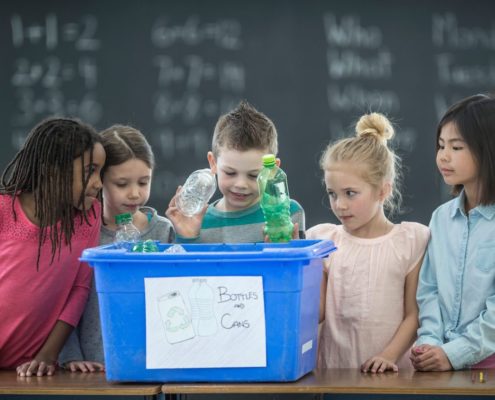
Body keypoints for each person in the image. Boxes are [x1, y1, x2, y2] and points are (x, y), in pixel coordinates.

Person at [306, 112, 429, 373]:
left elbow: (413, 314)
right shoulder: (323, 241)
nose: (339, 205)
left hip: (393, 379)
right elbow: (316, 313)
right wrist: (291, 255)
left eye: (351, 193)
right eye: (332, 194)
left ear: (383, 191)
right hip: (334, 377)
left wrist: (388, 356)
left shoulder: (410, 241)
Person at [59, 124, 176, 373]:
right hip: (89, 367)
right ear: (99, 181)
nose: (135, 194)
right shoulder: (78, 232)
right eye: (122, 184)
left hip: (152, 365)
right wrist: (70, 355)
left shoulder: (163, 231)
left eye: (144, 182)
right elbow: (61, 299)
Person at [0, 118, 105, 377]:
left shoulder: (89, 217)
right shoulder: (3, 210)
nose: (99, 183)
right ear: (52, 170)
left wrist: (48, 354)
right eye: (89, 170)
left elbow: (79, 288)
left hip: (28, 367)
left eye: (100, 172)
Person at [411, 94, 495, 371]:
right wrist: (429, 344)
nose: (443, 156)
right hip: (440, 364)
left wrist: (454, 354)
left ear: (488, 149)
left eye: (456, 147)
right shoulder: (441, 218)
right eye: (441, 146)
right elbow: (429, 290)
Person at [167, 100, 305, 243]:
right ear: (213, 163)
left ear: (272, 170)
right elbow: (189, 266)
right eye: (230, 173)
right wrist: (187, 237)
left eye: (254, 175)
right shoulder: (197, 221)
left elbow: (304, 265)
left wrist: (287, 252)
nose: (241, 184)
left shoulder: (288, 214)